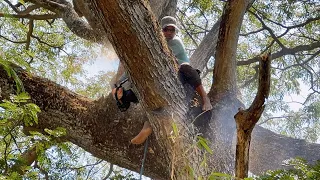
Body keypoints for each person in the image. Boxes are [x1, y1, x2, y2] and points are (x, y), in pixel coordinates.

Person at [130, 16, 212, 144]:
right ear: (160, 30)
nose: (168, 32)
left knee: (186, 68)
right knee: (151, 92)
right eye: (166, 29)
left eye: (171, 30)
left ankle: (206, 99)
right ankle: (148, 125)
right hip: (167, 79)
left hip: (184, 79)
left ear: (175, 31)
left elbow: (163, 58)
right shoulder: (156, 43)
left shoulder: (176, 42)